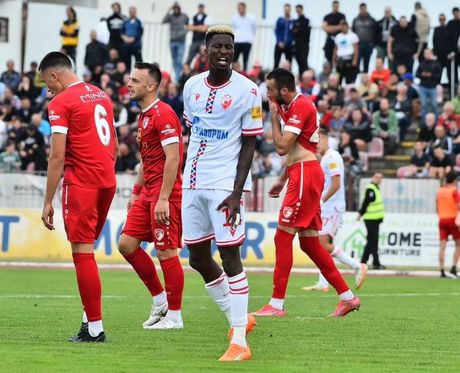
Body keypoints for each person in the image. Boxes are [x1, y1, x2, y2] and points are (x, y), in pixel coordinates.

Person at [253, 68, 360, 319]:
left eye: (270, 90)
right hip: (302, 172)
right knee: (311, 244)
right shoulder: (295, 106)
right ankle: (347, 297)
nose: (267, 95)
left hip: (305, 174)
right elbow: (298, 151)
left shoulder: (300, 106)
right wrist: (282, 179)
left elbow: (281, 147)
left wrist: (272, 116)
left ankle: (276, 304)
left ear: (284, 91)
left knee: (282, 238)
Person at [182, 25, 261, 361]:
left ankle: (240, 341)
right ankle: (238, 318)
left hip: (223, 186)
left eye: (229, 47)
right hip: (192, 182)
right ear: (206, 50)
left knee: (230, 257)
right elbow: (193, 131)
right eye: (218, 46)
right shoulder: (191, 86)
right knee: (197, 257)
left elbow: (250, 143)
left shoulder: (249, 90)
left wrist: (236, 191)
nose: (225, 52)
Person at [39, 51, 117, 342]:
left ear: (56, 76)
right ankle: (89, 319)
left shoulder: (61, 102)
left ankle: (95, 329)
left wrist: (48, 200)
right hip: (106, 181)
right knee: (89, 253)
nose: (49, 89)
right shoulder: (99, 94)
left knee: (82, 254)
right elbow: (114, 140)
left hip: (82, 182)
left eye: (48, 83)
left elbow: (57, 155)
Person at [118, 62, 185, 329]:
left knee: (166, 252)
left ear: (151, 86)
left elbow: (173, 158)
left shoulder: (164, 114)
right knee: (126, 245)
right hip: (147, 192)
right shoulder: (144, 116)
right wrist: (136, 190)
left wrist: (163, 198)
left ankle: (176, 317)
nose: (129, 84)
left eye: (134, 80)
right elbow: (147, 159)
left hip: (164, 193)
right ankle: (160, 302)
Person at [303, 127, 367, 292]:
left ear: (325, 139)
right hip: (327, 208)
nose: (315, 145)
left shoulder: (332, 157)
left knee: (322, 244)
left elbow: (336, 183)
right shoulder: (324, 158)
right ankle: (323, 283)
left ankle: (357, 266)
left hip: (332, 208)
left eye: (318, 141)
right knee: (320, 244)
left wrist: (320, 200)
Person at [358, 172, 385, 269]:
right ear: (373, 177)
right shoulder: (371, 189)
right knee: (374, 241)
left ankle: (363, 262)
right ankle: (376, 263)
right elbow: (366, 202)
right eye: (377, 177)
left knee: (371, 241)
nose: (379, 179)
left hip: (375, 219)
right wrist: (360, 213)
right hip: (370, 219)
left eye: (381, 178)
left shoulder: (375, 188)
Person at [436, 170, 460, 278]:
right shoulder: (454, 191)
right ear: (455, 180)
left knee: (442, 245)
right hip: (453, 219)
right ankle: (453, 268)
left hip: (442, 219)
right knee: (458, 244)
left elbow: (436, 206)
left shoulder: (440, 190)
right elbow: (459, 206)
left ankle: (441, 270)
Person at [162, 2, 189, 81]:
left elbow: (189, 25)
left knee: (179, 60)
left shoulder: (184, 16)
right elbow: (163, 21)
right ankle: (178, 75)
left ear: (179, 8)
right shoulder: (170, 16)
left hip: (181, 42)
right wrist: (168, 10)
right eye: (174, 8)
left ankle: (177, 78)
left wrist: (184, 32)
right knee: (174, 61)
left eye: (177, 8)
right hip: (172, 42)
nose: (176, 9)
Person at [416, 48, 442, 121]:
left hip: (433, 87)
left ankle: (436, 122)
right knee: (424, 105)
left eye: (428, 53)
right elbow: (417, 74)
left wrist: (431, 75)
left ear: (431, 53)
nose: (426, 54)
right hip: (423, 87)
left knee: (434, 105)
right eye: (425, 53)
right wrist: (423, 75)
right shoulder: (422, 63)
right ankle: (423, 123)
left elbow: (439, 76)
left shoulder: (436, 63)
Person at [352, 2, 377, 73]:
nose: (363, 10)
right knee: (356, 63)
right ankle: (355, 80)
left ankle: (365, 80)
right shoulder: (355, 20)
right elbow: (353, 32)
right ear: (359, 9)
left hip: (368, 45)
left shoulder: (372, 20)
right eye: (361, 8)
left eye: (364, 8)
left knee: (366, 63)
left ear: (366, 9)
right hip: (358, 45)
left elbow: (376, 32)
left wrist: (373, 44)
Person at [433, 14, 456, 91]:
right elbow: (434, 42)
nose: (442, 20)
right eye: (440, 19)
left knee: (450, 75)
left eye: (443, 19)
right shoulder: (436, 29)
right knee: (438, 75)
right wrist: (435, 54)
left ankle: (451, 92)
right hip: (439, 57)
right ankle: (437, 91)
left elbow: (453, 41)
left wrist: (453, 51)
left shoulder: (449, 29)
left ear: (445, 19)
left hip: (448, 56)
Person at [232, 2, 257, 72]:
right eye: (238, 8)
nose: (240, 9)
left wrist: (250, 38)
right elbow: (234, 28)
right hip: (237, 41)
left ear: (244, 8)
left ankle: (245, 73)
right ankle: (233, 72)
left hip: (247, 41)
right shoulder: (234, 18)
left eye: (241, 8)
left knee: (245, 60)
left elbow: (254, 29)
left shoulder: (251, 18)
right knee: (234, 59)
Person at [121, 6, 143, 72]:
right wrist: (125, 38)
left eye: (133, 11)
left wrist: (133, 39)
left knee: (139, 62)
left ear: (136, 12)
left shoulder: (139, 22)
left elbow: (140, 32)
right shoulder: (125, 21)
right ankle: (127, 75)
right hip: (127, 45)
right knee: (127, 62)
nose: (132, 13)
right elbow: (122, 32)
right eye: (131, 11)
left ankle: (139, 74)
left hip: (136, 45)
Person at [292, 4, 311, 76]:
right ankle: (301, 77)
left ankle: (306, 76)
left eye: (299, 10)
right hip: (297, 45)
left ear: (302, 10)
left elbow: (306, 31)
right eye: (297, 11)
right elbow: (294, 31)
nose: (298, 12)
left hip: (304, 44)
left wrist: (298, 30)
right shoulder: (295, 21)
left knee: (304, 61)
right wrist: (299, 30)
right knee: (299, 62)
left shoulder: (307, 20)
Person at [274, 4, 293, 69]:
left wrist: (290, 42)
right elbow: (277, 31)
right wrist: (279, 41)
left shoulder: (292, 21)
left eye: (288, 10)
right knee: (276, 61)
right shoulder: (280, 20)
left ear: (290, 10)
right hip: (279, 44)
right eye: (285, 10)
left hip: (288, 45)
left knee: (289, 62)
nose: (287, 11)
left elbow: (293, 33)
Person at [447, 7, 460, 89]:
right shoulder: (450, 23)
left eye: (457, 12)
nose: (456, 14)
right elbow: (449, 38)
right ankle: (454, 85)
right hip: (453, 52)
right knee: (453, 71)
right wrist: (452, 51)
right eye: (454, 13)